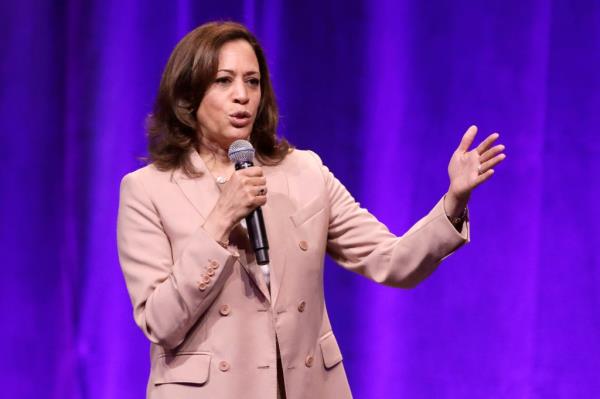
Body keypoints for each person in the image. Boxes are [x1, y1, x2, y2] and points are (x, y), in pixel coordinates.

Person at [117, 21, 506, 399]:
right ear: (188, 94)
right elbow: (161, 322)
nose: (242, 95)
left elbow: (393, 260)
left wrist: (453, 200)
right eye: (224, 80)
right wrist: (220, 219)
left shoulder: (304, 172)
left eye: (252, 81)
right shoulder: (147, 190)